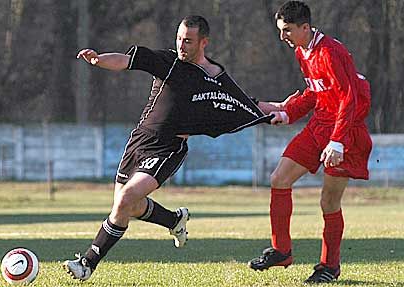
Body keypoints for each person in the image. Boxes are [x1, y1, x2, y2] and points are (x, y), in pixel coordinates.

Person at [63, 15, 277, 281]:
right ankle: (175, 221)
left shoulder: (216, 77)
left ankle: (87, 263)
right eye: (179, 39)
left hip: (169, 147)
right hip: (140, 140)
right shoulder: (168, 62)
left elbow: (244, 103)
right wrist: (99, 60)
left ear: (204, 42)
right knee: (128, 205)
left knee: (126, 198)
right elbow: (127, 61)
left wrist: (280, 109)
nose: (181, 45)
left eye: (188, 40)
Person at [247, 1, 372, 284]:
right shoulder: (303, 51)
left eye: (287, 30)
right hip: (319, 126)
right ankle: (281, 250)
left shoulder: (330, 52)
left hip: (346, 130)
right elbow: (315, 94)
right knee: (279, 178)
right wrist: (287, 112)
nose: (283, 37)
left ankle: (329, 266)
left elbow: (350, 98)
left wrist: (338, 142)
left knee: (328, 201)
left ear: (305, 27)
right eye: (281, 30)